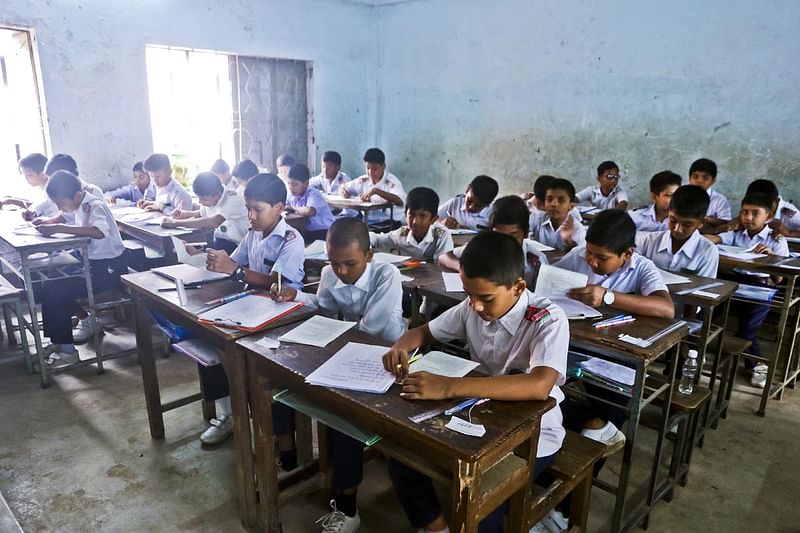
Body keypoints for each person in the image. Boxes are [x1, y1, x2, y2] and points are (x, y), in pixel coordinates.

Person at [382, 231, 569, 533]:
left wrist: (448, 386)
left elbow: (539, 385)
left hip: (534, 434)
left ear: (519, 287)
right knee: (404, 459)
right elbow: (423, 332)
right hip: (477, 415)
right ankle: (436, 527)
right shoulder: (472, 307)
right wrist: (400, 347)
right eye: (469, 295)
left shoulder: (547, 318)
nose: (476, 306)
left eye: (486, 298)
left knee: (483, 507)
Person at [271, 217, 404, 532]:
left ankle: (347, 505)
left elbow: (373, 331)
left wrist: (330, 333)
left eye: (350, 264)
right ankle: (287, 454)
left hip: (383, 364)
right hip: (341, 356)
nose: (341, 271)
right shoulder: (331, 274)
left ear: (369, 256)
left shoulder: (387, 275)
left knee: (345, 417)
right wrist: (297, 297)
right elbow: (325, 309)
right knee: (282, 382)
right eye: (334, 263)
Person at [555, 209, 673, 451]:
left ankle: (592, 436)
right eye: (589, 252)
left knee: (614, 398)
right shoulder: (578, 255)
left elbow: (665, 308)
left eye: (601, 257)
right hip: (576, 346)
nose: (591, 261)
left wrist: (608, 297)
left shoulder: (643, 268)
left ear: (627, 253)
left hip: (616, 355)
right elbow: (549, 280)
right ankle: (594, 428)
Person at [200, 173, 305, 445]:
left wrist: (235, 271)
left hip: (284, 315)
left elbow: (276, 281)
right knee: (210, 343)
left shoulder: (291, 240)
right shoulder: (253, 234)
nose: (251, 216)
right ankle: (230, 415)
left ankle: (284, 443)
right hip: (253, 308)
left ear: (279, 209)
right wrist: (219, 263)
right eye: (248, 209)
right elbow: (236, 264)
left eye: (257, 210)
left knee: (270, 375)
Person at [35, 171, 126, 366]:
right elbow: (66, 215)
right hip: (90, 263)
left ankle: (68, 352)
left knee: (58, 292)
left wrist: (59, 229)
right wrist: (50, 221)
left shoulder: (95, 205)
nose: (60, 208)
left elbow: (99, 232)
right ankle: (60, 342)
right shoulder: (78, 203)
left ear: (76, 196)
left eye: (61, 203)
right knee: (48, 286)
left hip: (108, 269)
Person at [704, 193, 789, 388]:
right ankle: (694, 353)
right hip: (733, 284)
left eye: (755, 213)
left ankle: (756, 366)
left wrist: (770, 258)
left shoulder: (776, 240)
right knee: (705, 315)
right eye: (744, 212)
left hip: (761, 287)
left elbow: (778, 279)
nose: (748, 217)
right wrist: (711, 234)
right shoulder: (736, 234)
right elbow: (713, 239)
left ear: (768, 216)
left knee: (747, 330)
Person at [438, 195, 547, 288]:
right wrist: (462, 268)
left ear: (526, 233)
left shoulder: (536, 262)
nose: (505, 243)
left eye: (513, 237)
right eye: (499, 236)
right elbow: (444, 257)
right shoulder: (483, 246)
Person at [636, 185, 718, 278]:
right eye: (673, 220)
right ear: (668, 214)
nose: (677, 229)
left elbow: (703, 289)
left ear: (701, 223)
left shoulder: (707, 251)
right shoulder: (649, 241)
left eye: (687, 225)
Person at [161, 172, 248, 253]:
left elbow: (213, 222)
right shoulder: (212, 198)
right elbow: (201, 213)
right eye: (199, 198)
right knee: (184, 250)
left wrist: (175, 223)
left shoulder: (233, 199)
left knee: (197, 255)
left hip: (239, 247)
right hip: (221, 242)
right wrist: (184, 214)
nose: (200, 202)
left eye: (204, 199)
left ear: (217, 194)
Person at [370, 187, 453, 262]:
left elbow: (444, 263)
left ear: (433, 219)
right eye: (411, 215)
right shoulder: (400, 235)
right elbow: (375, 239)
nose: (415, 222)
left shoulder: (441, 235)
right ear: (405, 214)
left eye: (422, 216)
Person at [340, 148, 406, 228]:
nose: (370, 172)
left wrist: (376, 191)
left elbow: (400, 201)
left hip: (388, 223)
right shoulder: (363, 180)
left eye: (374, 169)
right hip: (367, 221)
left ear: (383, 166)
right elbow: (344, 187)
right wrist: (344, 192)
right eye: (367, 168)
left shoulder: (391, 182)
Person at [529, 177, 585, 251]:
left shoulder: (578, 229)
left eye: (561, 200)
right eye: (549, 199)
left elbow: (579, 258)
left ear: (571, 206)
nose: (553, 204)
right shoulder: (536, 218)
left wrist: (568, 242)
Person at [285, 163, 336, 243]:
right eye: (289, 183)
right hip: (308, 231)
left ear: (306, 183)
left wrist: (292, 207)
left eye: (295, 184)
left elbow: (310, 211)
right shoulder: (291, 195)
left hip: (325, 232)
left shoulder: (313, 194)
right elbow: (285, 205)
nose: (291, 187)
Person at [688, 158, 731, 230]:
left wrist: (708, 219)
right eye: (695, 177)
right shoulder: (681, 196)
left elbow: (726, 222)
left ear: (713, 181)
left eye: (705, 178)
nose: (699, 181)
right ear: (689, 178)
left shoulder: (720, 200)